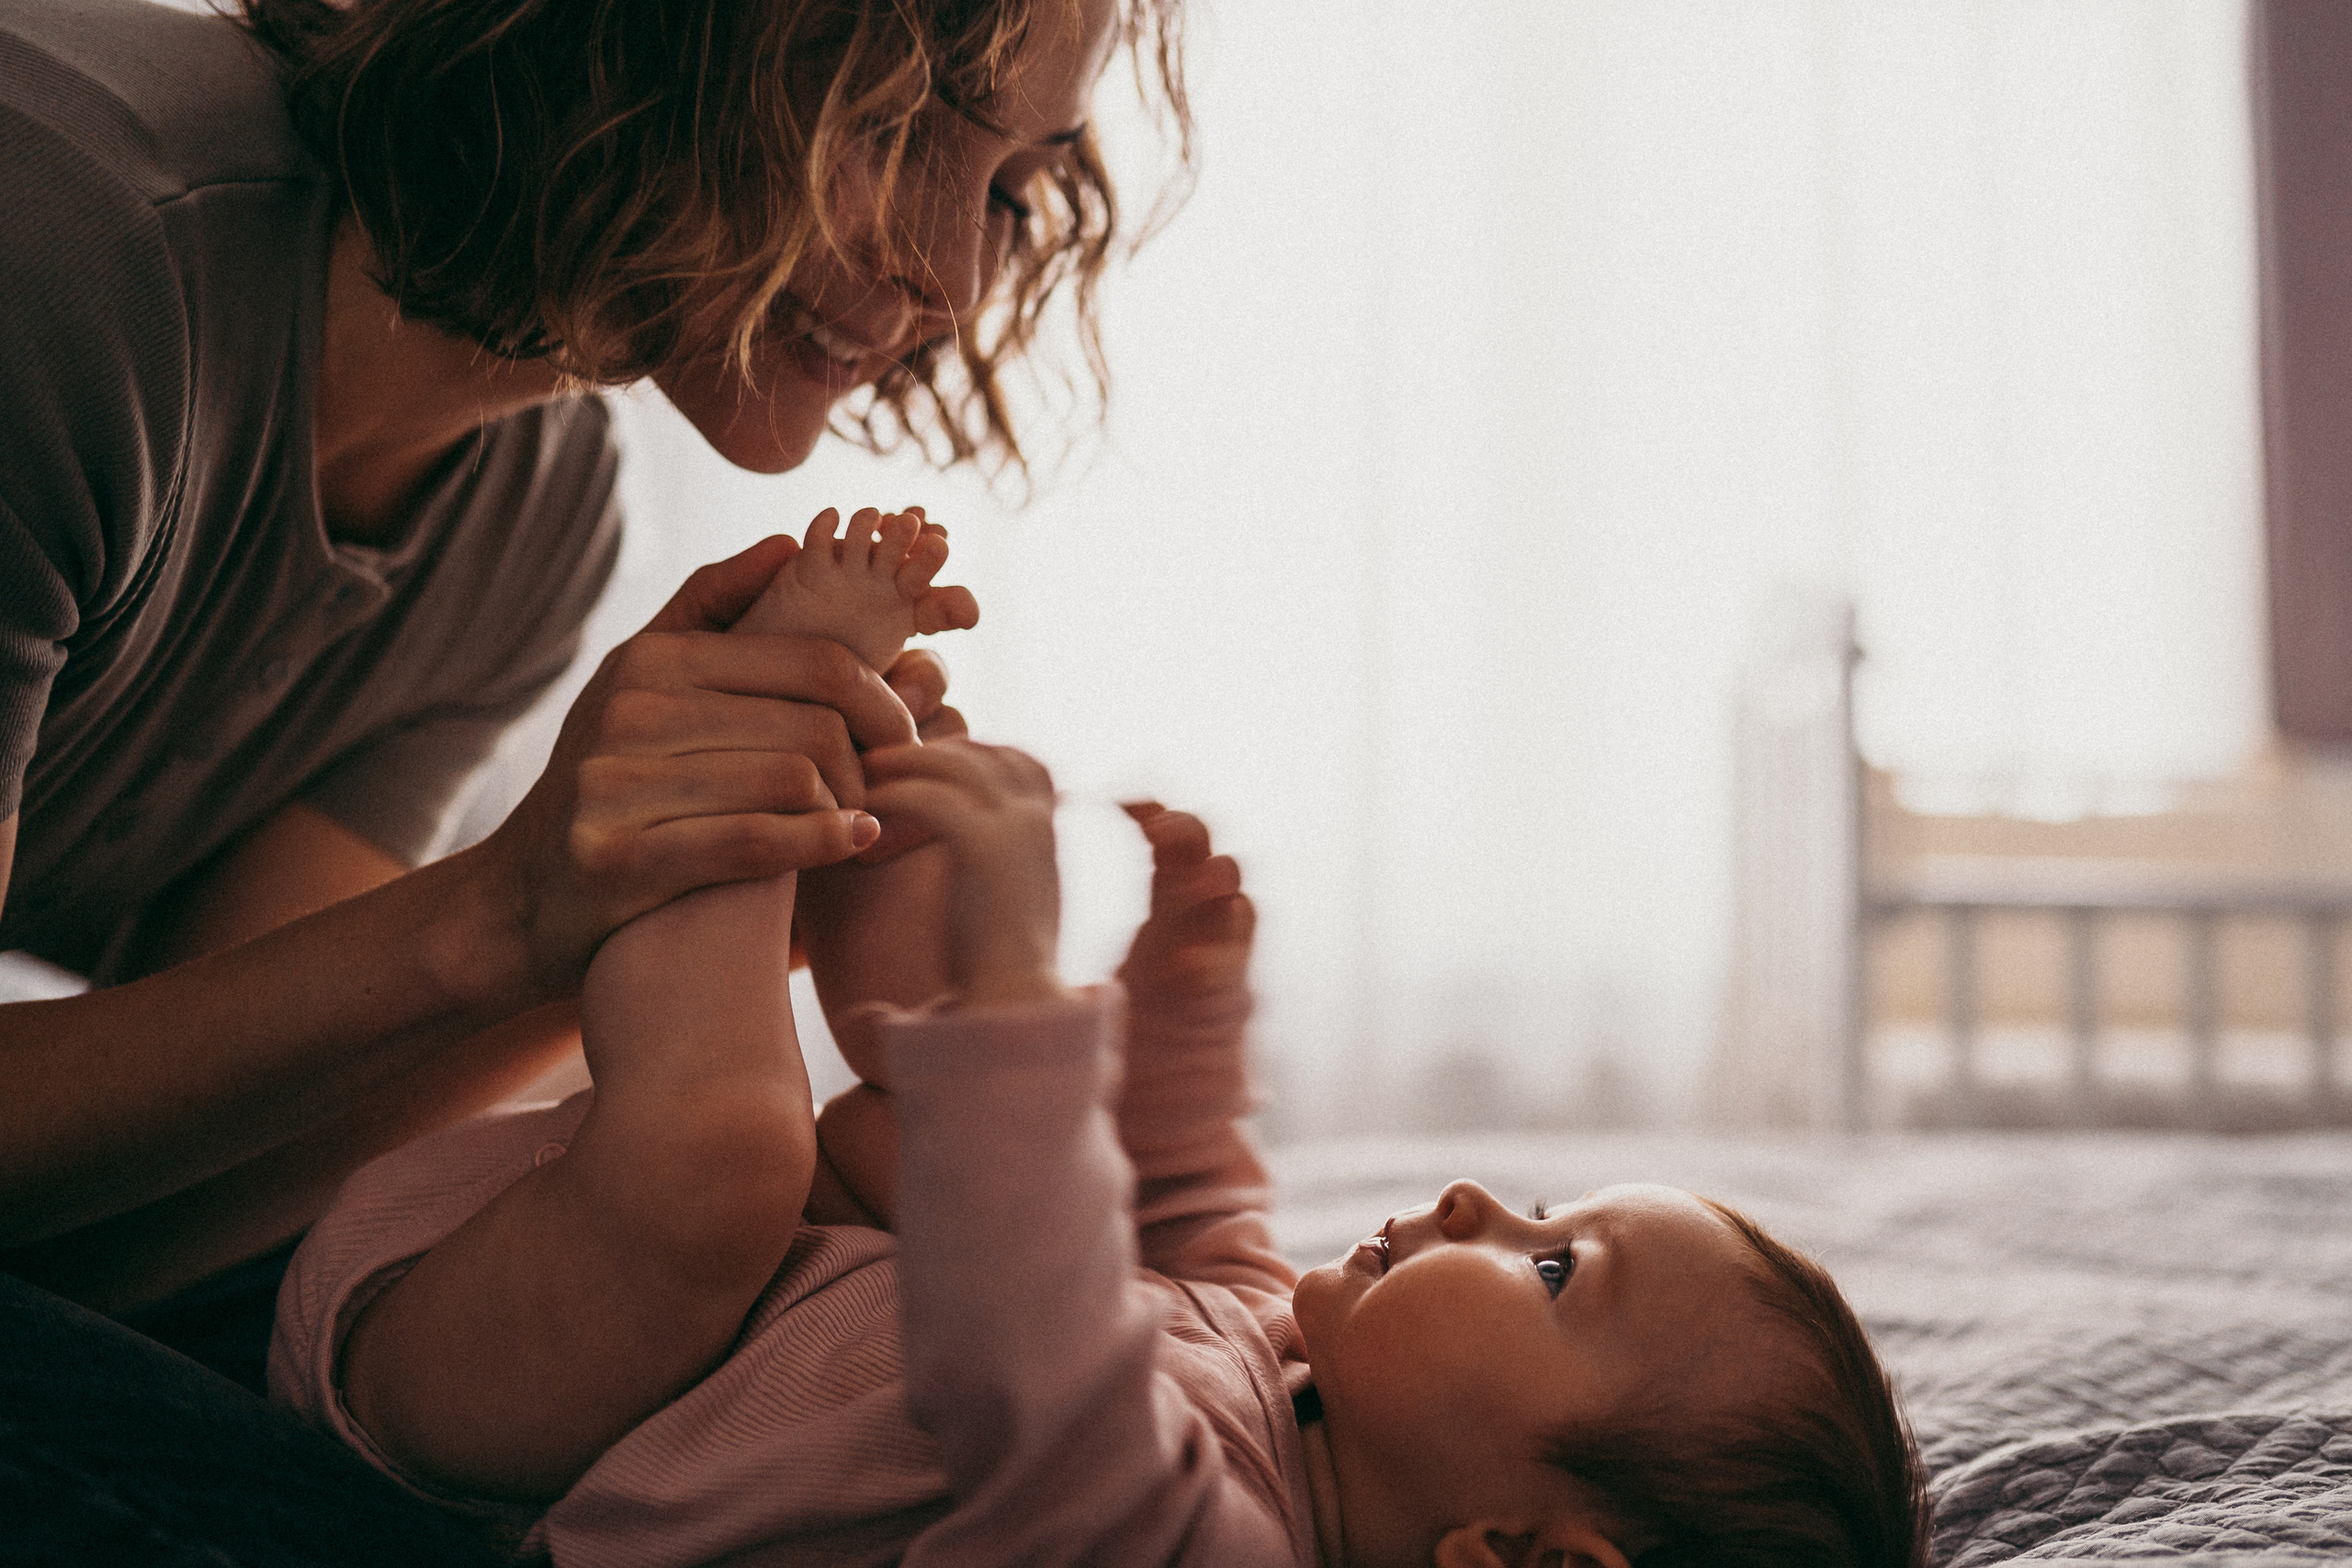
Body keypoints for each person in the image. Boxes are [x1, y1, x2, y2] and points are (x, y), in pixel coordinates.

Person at [0, 0, 1178, 1554]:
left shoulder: (531, 517)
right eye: (886, 127)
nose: (951, 278)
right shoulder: (70, 239)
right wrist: (503, 910)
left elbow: (122, 1213)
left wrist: (682, 902)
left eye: (1013, 189)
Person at [274, 517, 1930, 1567]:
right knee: (927, 1149)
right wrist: (1189, 1000)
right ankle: (847, 804)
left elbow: (1033, 1366)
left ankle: (745, 768)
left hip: (469, 1405)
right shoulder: (1284, 1357)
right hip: (603, 1314)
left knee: (738, 1158)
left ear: (1520, 1560)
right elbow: (1186, 1190)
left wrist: (1021, 965)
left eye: (1556, 1273)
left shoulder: (1184, 1546)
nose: (1485, 1201)